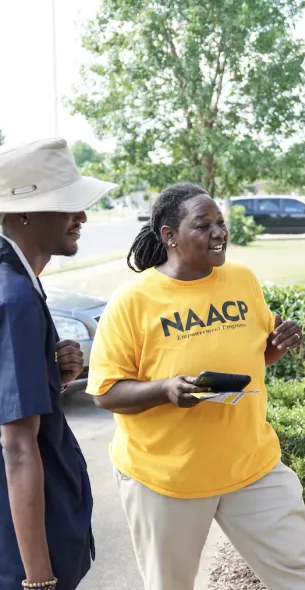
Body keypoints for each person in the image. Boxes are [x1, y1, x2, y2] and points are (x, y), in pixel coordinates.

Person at [86, 183, 305, 590]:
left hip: (252, 465)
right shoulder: (132, 300)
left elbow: (255, 358)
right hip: (166, 478)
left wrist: (281, 342)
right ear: (169, 236)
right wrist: (165, 389)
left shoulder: (240, 279)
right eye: (203, 225)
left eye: (220, 223)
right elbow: (104, 392)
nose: (219, 232)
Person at [0, 138, 118, 589]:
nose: (82, 217)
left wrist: (51, 375)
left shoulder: (18, 284)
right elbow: (16, 447)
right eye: (68, 205)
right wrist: (39, 582)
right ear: (25, 212)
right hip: (23, 557)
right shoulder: (15, 299)